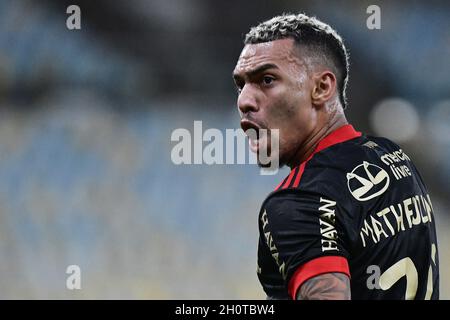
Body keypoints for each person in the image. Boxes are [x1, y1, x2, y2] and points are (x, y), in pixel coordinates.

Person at [232, 13, 439, 300]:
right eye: (240, 85)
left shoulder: (299, 201)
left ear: (321, 88)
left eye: (266, 80)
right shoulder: (394, 157)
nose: (244, 101)